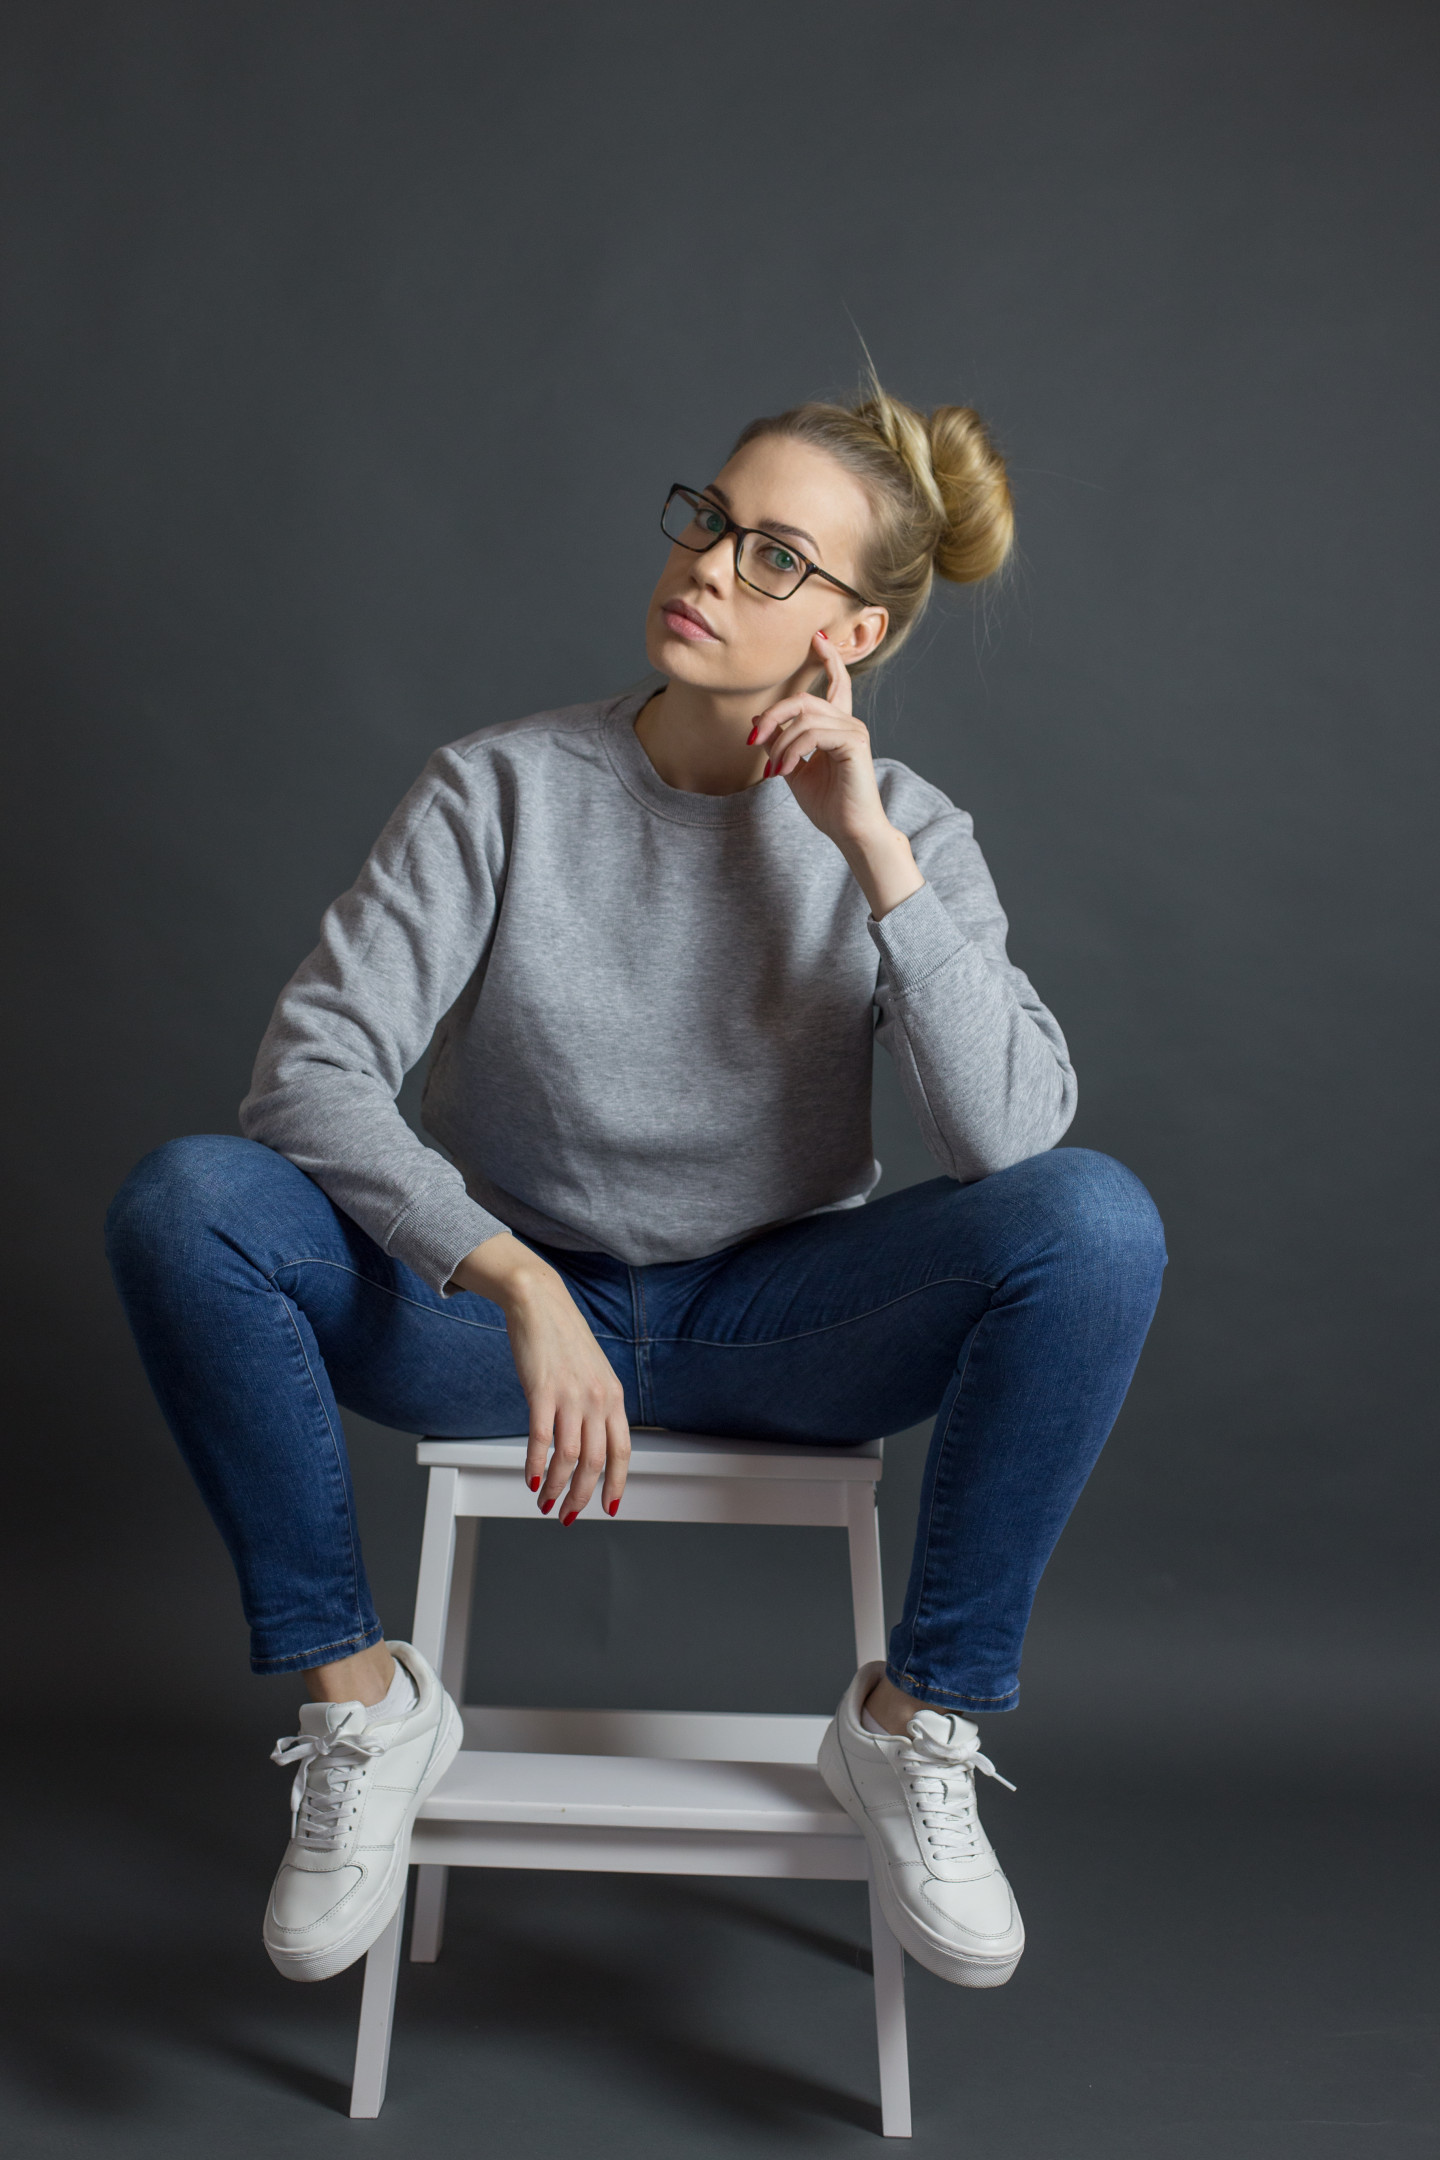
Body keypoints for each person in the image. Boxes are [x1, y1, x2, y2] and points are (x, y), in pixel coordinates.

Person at [106, 373, 1166, 1995]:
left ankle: (911, 1724)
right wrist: (512, 1277)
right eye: (713, 523)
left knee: (1096, 1223)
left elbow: (1013, 1142)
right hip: (501, 1321)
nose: (711, 568)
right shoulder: (501, 787)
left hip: (781, 1325)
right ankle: (361, 1708)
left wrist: (872, 855)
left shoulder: (911, 830)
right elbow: (306, 1072)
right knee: (188, 1202)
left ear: (854, 634)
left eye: (775, 557)